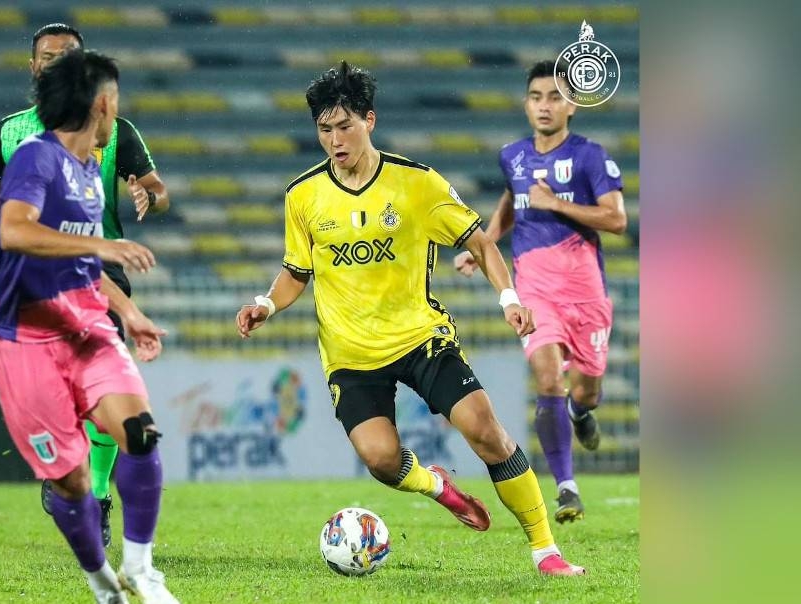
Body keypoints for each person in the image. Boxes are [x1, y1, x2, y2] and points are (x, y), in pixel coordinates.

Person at [236, 62, 585, 576]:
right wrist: (265, 304)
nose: (335, 139)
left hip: (421, 338)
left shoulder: (416, 184)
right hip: (350, 354)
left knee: (484, 430)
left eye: (345, 126)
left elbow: (480, 242)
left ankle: (546, 550)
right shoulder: (303, 196)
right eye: (325, 129)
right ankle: (437, 485)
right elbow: (295, 271)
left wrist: (508, 295)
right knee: (380, 459)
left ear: (370, 120)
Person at [0, 49, 183, 604]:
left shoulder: (89, 174)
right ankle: (104, 587)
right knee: (69, 483)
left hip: (86, 323)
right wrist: (101, 245)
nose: (117, 112)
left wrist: (130, 311)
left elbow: (85, 266)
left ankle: (141, 567)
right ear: (99, 103)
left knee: (140, 434)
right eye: (115, 100)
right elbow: (15, 230)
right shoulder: (35, 159)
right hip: (25, 338)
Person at [453, 61, 627, 523]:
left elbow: (616, 220)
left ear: (572, 104)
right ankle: (567, 487)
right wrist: (484, 245)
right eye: (536, 97)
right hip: (533, 288)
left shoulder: (591, 156)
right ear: (526, 103)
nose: (544, 106)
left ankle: (580, 410)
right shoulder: (513, 155)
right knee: (547, 377)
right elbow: (513, 201)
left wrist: (557, 204)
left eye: (554, 97)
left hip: (586, 292)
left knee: (586, 389)